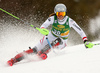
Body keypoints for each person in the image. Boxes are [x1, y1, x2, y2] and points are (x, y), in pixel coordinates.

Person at [7, 3, 94, 66]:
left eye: (62, 13)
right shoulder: (52, 19)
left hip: (62, 41)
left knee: (58, 40)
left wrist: (85, 41)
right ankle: (14, 60)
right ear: (56, 13)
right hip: (50, 37)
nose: (61, 16)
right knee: (34, 50)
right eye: (59, 14)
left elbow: (80, 31)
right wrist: (42, 30)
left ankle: (42, 53)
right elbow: (43, 26)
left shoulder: (70, 21)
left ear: (65, 13)